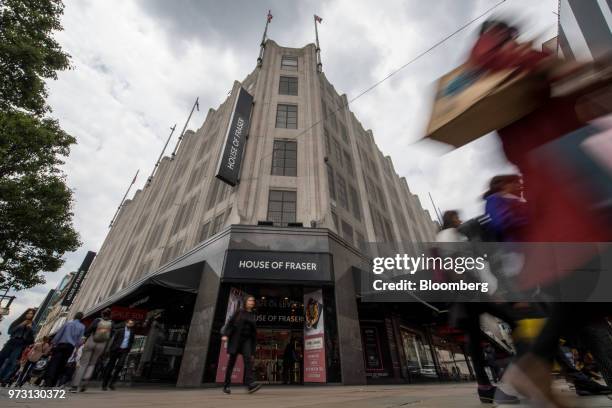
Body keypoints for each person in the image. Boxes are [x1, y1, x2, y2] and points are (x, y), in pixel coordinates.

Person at [220, 295, 261, 394]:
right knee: (231, 363)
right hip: (236, 340)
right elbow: (230, 323)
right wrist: (226, 334)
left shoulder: (252, 314)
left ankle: (250, 384)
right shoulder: (239, 312)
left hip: (246, 341)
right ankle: (226, 385)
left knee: (248, 361)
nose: (252, 302)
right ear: (245, 301)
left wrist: (253, 348)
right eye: (250, 300)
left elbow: (253, 332)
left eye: (253, 301)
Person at [70, 308, 113, 392]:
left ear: (102, 314)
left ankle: (75, 386)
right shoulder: (111, 323)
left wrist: (81, 342)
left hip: (91, 341)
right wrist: (106, 349)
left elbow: (88, 331)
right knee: (92, 364)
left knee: (83, 364)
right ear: (110, 315)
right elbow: (111, 337)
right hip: (101, 345)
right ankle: (85, 383)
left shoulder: (97, 320)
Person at [44, 312, 85, 387]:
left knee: (54, 362)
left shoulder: (67, 323)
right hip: (70, 347)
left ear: (74, 316)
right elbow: (79, 340)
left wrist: (53, 343)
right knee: (62, 364)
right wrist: (76, 349)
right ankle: (54, 382)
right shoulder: (82, 327)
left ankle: (48, 381)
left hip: (61, 345)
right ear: (81, 318)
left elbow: (59, 334)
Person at [0, 308, 36, 386]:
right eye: (29, 313)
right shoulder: (19, 321)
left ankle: (3, 378)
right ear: (25, 314)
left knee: (11, 362)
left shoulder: (33, 324)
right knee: (1, 358)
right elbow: (10, 331)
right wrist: (21, 325)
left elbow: (33, 334)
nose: (30, 315)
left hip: (20, 344)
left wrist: (30, 328)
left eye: (32, 314)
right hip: (12, 341)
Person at [101, 319, 135, 390]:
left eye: (132, 324)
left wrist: (129, 348)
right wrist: (109, 349)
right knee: (110, 366)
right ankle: (104, 384)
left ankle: (112, 384)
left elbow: (131, 341)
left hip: (124, 351)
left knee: (120, 366)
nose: (130, 325)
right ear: (126, 323)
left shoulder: (132, 332)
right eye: (129, 323)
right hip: (115, 350)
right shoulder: (120, 330)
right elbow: (113, 340)